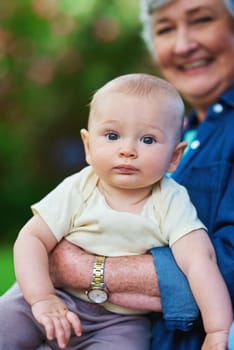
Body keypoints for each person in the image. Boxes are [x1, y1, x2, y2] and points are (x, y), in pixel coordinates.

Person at [1, 0, 234, 349]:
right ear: (88, 146)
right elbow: (31, 239)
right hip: (51, 296)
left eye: (147, 139)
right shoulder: (81, 186)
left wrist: (219, 331)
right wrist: (42, 300)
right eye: (112, 136)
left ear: (174, 157)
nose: (128, 149)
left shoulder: (170, 200)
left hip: (118, 321)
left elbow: (201, 263)